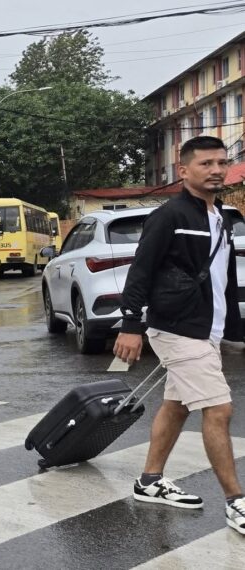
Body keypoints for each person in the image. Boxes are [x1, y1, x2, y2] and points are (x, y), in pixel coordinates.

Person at [113, 135, 245, 536]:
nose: (216, 170)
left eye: (222, 162)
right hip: (177, 327)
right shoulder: (170, 215)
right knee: (219, 410)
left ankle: (150, 481)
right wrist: (132, 325)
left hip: (207, 328)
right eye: (206, 164)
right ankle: (236, 503)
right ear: (183, 170)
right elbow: (141, 270)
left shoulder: (221, 215)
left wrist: (235, 329)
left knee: (177, 405)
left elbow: (224, 278)